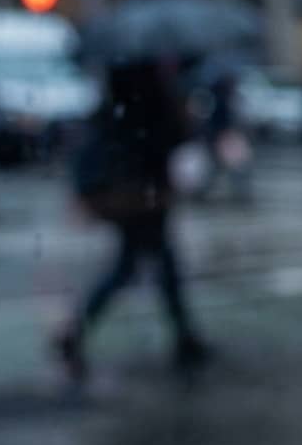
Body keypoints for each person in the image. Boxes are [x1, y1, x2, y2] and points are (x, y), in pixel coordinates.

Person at [53, 56, 209, 380]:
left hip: (127, 197)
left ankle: (183, 335)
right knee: (143, 266)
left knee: (146, 264)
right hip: (147, 197)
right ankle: (182, 336)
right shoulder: (154, 99)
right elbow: (169, 140)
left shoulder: (115, 99)